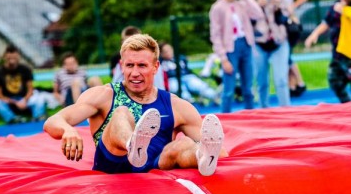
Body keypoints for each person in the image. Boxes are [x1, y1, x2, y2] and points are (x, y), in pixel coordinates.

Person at [44, 34, 226, 177]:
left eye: (142, 66)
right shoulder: (104, 95)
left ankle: (201, 158)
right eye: (130, 65)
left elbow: (222, 153)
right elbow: (53, 121)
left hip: (154, 164)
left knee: (181, 145)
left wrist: (207, 150)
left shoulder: (176, 105)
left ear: (155, 67)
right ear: (121, 66)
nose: (135, 73)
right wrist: (68, 130)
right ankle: (132, 144)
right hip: (112, 166)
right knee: (121, 113)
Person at [209, 0, 263, 113]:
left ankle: (251, 116)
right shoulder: (217, 8)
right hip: (230, 49)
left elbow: (258, 14)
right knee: (229, 90)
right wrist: (223, 58)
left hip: (245, 45)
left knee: (248, 88)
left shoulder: (242, 4)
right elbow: (215, 35)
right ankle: (224, 119)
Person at [247, 0, 290, 108]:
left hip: (279, 40)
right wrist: (258, 5)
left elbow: (287, 15)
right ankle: (264, 110)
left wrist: (278, 5)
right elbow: (244, 20)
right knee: (262, 82)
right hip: (258, 42)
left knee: (281, 80)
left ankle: (287, 111)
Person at [270, 0, 308, 97]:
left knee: (287, 54)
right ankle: (292, 84)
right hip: (279, 24)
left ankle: (298, 81)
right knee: (285, 55)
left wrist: (293, 6)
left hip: (291, 23)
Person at [0, 44, 47, 123]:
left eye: (14, 57)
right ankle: (13, 119)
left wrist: (24, 100)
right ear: (5, 57)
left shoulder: (25, 69)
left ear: (18, 57)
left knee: (40, 97)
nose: (12, 60)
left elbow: (30, 89)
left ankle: (38, 117)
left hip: (25, 99)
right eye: (9, 58)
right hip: (10, 102)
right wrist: (15, 102)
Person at [111, 25, 166, 89]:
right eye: (127, 43)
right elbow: (115, 87)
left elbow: (159, 88)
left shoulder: (152, 63)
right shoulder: (119, 63)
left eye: (142, 65)